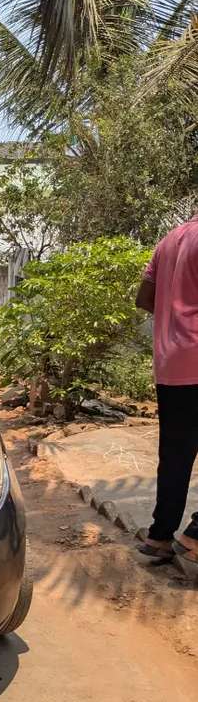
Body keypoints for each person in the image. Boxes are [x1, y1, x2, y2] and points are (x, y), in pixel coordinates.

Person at [135, 217, 198, 577]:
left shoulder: (170, 239)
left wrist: (176, 319)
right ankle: (195, 537)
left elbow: (144, 297)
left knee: (174, 454)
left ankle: (160, 536)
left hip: (171, 363)